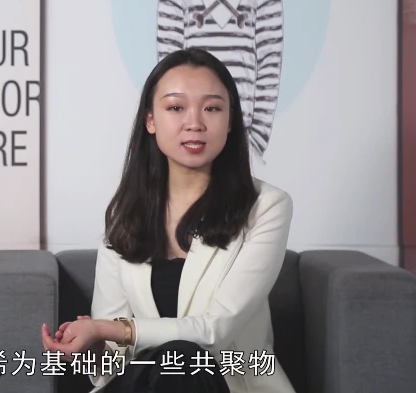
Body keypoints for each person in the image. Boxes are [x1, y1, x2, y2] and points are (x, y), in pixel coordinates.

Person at [40, 48, 295, 393]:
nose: (195, 123)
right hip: (139, 384)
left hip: (221, 382)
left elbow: (216, 331)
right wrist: (93, 346)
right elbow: (110, 365)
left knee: (184, 358)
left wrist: (110, 329)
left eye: (212, 108)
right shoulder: (124, 213)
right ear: (150, 120)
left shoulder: (267, 206)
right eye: (176, 108)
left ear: (230, 121)